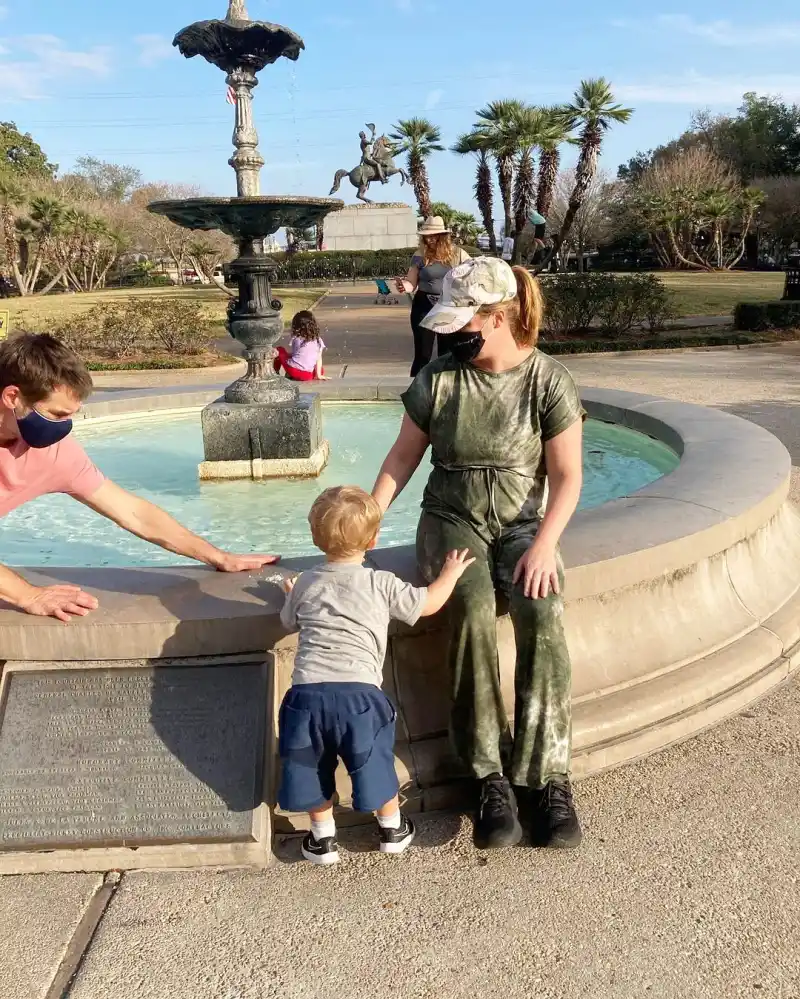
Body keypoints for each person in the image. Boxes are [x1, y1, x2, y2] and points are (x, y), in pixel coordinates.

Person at [374, 257, 585, 851]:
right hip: (452, 520)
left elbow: (567, 476)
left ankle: (546, 776)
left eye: (464, 322)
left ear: (497, 317)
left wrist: (544, 545)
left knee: (542, 610)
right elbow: (403, 456)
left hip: (523, 524)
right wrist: (371, 515)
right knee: (467, 610)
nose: (454, 334)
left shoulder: (548, 380)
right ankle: (487, 774)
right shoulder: (439, 378)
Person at [0, 333, 279, 622]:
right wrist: (28, 595)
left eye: (70, 416)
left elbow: (133, 513)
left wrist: (217, 556)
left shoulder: (56, 453)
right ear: (12, 398)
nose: (64, 427)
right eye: (56, 414)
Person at [278, 485, 474, 866]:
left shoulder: (305, 583)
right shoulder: (380, 582)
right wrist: (450, 573)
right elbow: (428, 603)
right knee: (373, 762)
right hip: (360, 698)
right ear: (374, 540)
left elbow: (288, 621)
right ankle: (392, 830)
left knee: (310, 765)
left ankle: (322, 840)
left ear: (315, 538)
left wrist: (290, 592)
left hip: (307, 697)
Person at [395, 217, 470, 377]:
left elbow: (472, 274)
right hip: (423, 306)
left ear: (442, 236)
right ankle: (417, 387)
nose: (429, 239)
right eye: (426, 236)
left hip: (447, 306)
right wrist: (404, 286)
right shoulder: (419, 255)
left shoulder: (458, 254)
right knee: (423, 354)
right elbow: (411, 283)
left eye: (433, 235)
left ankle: (444, 387)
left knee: (446, 353)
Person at [273, 310, 330, 382]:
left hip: (294, 371)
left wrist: (287, 355)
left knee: (279, 349)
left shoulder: (297, 339)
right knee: (320, 369)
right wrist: (319, 375)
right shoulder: (318, 340)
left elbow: (295, 355)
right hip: (308, 375)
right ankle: (315, 374)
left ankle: (276, 372)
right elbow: (318, 358)